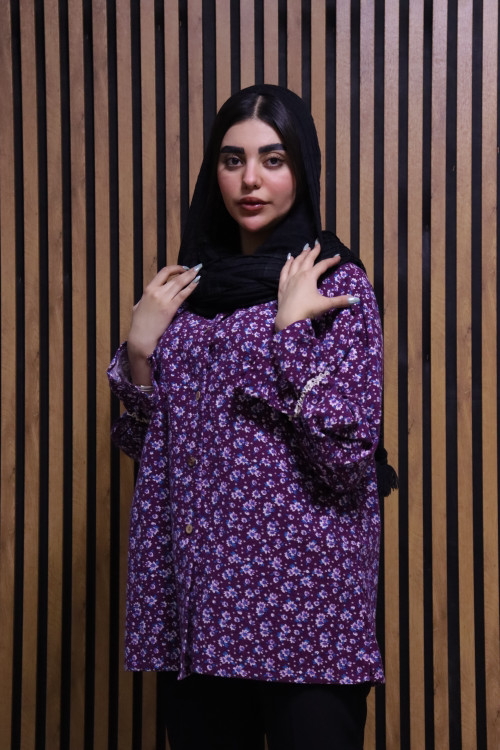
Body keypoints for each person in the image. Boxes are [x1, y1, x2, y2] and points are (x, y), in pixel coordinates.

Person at [108, 85, 394, 749]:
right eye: (233, 159)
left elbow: (348, 458)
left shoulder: (334, 285)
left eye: (273, 158)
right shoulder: (181, 292)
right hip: (199, 604)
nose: (250, 180)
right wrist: (141, 353)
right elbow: (148, 453)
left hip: (304, 608)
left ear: (303, 168)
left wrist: (291, 335)